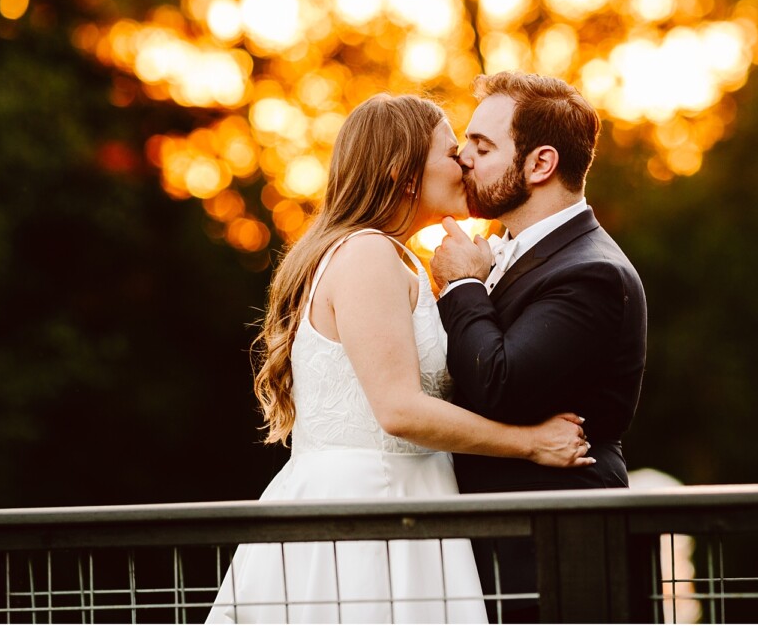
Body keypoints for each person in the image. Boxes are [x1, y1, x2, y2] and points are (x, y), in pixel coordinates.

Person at [207, 93, 594, 624]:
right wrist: (529, 443)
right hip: (366, 514)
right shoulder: (367, 255)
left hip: (408, 503)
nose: (463, 163)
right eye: (451, 150)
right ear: (404, 174)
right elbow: (399, 410)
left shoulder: (397, 258)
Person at [431, 71, 648, 623]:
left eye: (482, 147)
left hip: (554, 549)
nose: (464, 160)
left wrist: (461, 288)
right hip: (501, 540)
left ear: (541, 164)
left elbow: (501, 383)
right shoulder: (510, 251)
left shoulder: (590, 272)